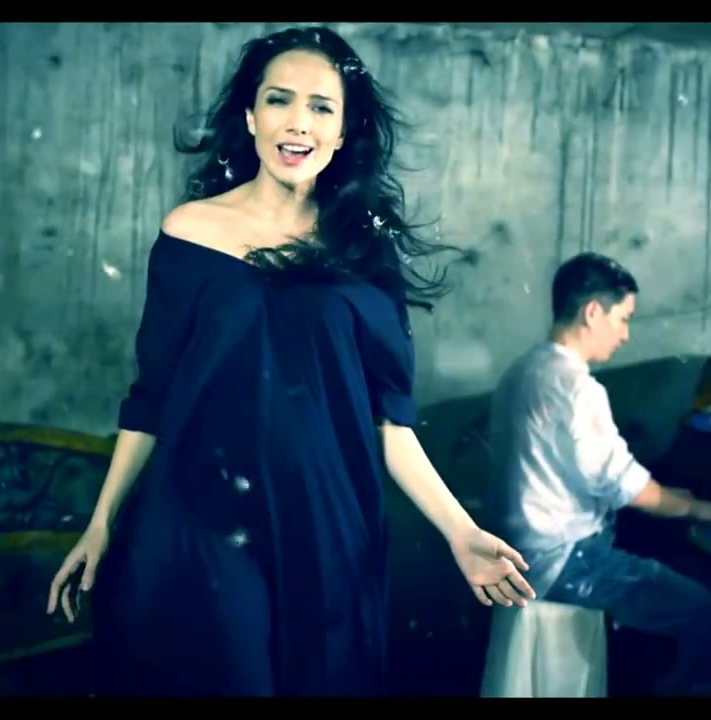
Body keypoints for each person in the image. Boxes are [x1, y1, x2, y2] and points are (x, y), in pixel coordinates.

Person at [45, 25, 536, 697]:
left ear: (341, 132)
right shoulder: (189, 233)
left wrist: (460, 530)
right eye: (279, 99)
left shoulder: (363, 253)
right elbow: (152, 396)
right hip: (204, 513)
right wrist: (102, 521)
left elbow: (390, 424)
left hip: (326, 520)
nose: (298, 121)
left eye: (321, 107)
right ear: (251, 117)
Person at [488, 252, 711, 697]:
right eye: (624, 319)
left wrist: (666, 495)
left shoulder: (522, 372)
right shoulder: (577, 387)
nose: (626, 334)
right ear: (593, 312)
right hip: (567, 562)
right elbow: (624, 485)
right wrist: (697, 508)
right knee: (708, 615)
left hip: (523, 554)